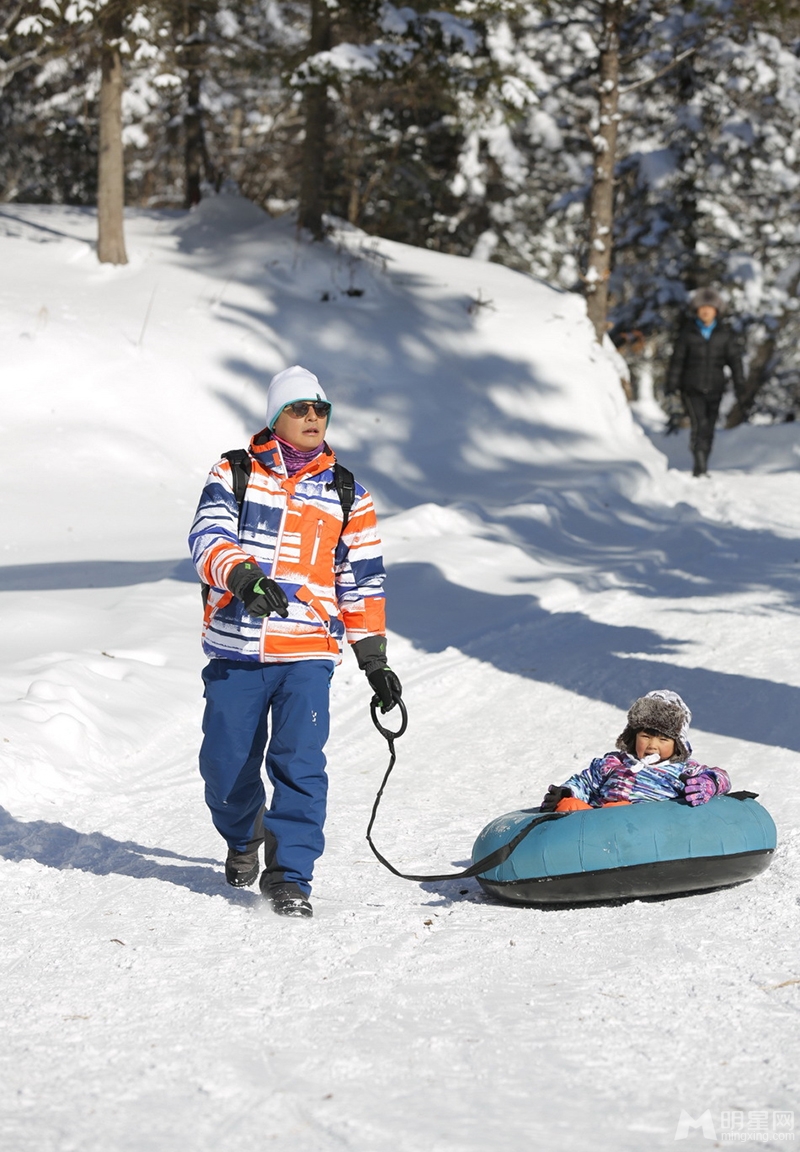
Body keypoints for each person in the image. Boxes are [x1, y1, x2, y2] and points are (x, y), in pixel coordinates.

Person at [188, 365, 402, 918]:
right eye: (300, 408)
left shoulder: (347, 492)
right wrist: (241, 576)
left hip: (308, 651)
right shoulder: (235, 471)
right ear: (275, 415)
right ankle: (242, 836)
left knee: (300, 762)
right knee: (224, 766)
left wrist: (373, 659)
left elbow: (362, 580)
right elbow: (207, 535)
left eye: (321, 410)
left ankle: (290, 876)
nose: (313, 418)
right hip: (237, 649)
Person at [539, 690, 731, 812]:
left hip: (642, 827)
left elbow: (720, 776)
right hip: (596, 823)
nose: (652, 745)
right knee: (568, 806)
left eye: (663, 739)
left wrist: (709, 782)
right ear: (634, 736)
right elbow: (586, 783)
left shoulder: (682, 769)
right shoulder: (614, 763)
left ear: (676, 745)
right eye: (645, 736)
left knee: (620, 810)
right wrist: (567, 792)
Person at [664, 286, 745, 477]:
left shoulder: (724, 334)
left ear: (717, 311)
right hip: (691, 388)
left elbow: (735, 361)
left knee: (709, 427)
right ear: (696, 310)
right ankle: (699, 468)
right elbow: (677, 361)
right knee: (699, 424)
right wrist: (671, 385)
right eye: (702, 308)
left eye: (709, 308)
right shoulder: (688, 333)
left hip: (716, 387)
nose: (706, 311)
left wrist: (739, 383)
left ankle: (704, 463)